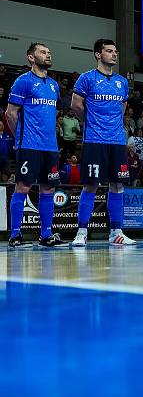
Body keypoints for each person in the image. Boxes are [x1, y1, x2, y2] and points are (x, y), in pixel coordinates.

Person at [5, 43, 69, 247]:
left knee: (48, 189)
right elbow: (10, 114)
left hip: (50, 147)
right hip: (29, 145)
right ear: (31, 58)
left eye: (49, 52)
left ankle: (46, 235)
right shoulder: (22, 82)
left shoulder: (53, 85)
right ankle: (15, 236)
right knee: (22, 186)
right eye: (43, 52)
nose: (48, 54)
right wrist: (20, 139)